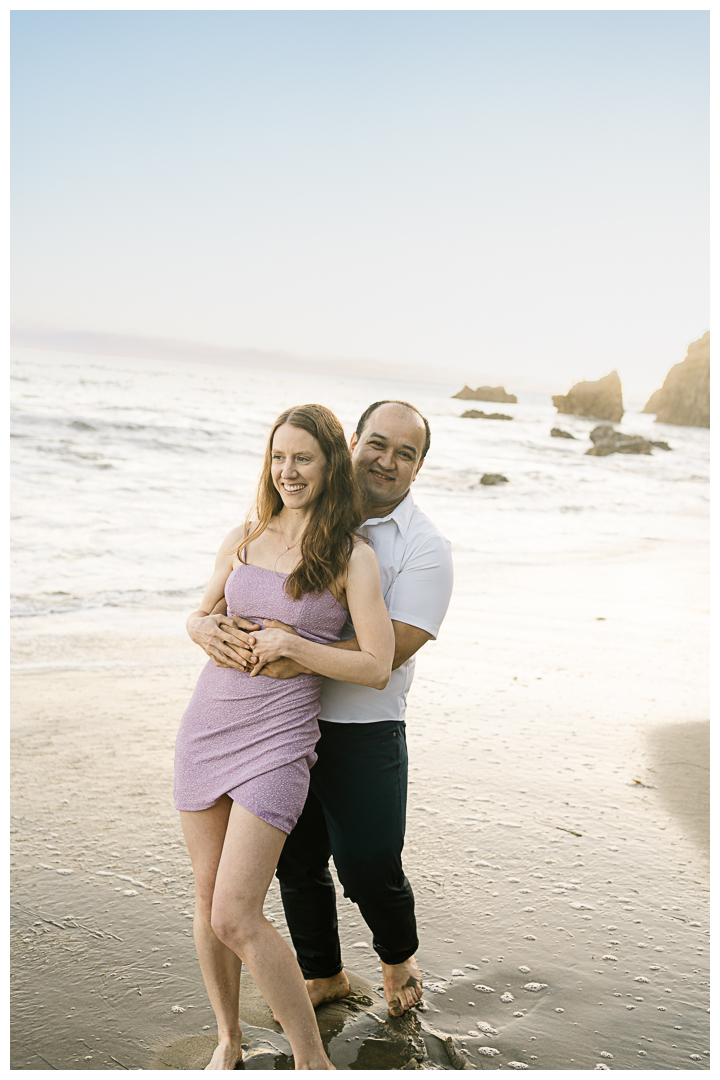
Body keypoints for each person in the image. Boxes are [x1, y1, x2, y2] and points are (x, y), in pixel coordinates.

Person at [190, 400, 453, 1019]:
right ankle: (325, 974)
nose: (387, 461)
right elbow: (229, 596)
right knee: (298, 864)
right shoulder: (285, 520)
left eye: (405, 453)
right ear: (353, 444)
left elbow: (388, 649)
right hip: (279, 721)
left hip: (363, 725)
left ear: (419, 467)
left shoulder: (423, 549)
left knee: (367, 862)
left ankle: (396, 954)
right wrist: (203, 625)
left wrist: (293, 650)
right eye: (378, 444)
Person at [176, 403, 395, 1070]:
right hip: (209, 725)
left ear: (330, 463)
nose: (288, 470)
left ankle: (312, 1063)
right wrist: (196, 626)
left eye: (303, 457)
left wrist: (295, 644)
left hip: (279, 737)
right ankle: (228, 1040)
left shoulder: (352, 556)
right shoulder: (244, 535)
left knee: (235, 913)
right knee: (207, 896)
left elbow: (376, 665)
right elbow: (202, 610)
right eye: (279, 457)